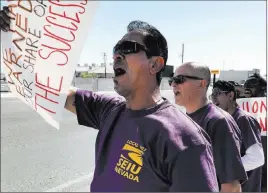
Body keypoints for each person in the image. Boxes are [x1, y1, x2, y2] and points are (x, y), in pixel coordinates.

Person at [0, 7, 219, 191]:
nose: (116, 56)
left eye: (127, 49)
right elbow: (54, 91)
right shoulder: (110, 110)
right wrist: (17, 41)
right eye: (116, 50)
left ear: (155, 64)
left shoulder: (185, 139)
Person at [170, 62, 248, 192]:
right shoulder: (182, 119)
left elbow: (232, 186)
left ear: (202, 84)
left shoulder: (219, 122)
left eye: (180, 79)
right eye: (173, 79)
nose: (173, 84)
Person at [212, 80, 264, 192]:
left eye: (217, 93)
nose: (213, 98)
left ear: (230, 95)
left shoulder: (243, 119)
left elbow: (257, 158)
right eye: (212, 95)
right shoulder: (223, 120)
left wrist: (223, 169)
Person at [244, 73, 267, 192]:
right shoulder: (242, 104)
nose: (247, 88)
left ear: (261, 88)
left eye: (251, 85)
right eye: (246, 85)